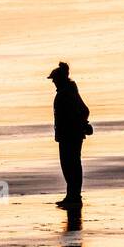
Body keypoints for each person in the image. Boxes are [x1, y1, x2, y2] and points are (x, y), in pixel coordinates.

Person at [48, 61, 90, 210]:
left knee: (70, 166)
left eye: (54, 79)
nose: (53, 82)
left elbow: (83, 111)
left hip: (69, 136)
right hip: (70, 135)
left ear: (60, 79)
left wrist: (80, 125)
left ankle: (74, 197)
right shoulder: (69, 91)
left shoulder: (67, 93)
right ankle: (72, 196)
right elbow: (84, 111)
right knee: (72, 166)